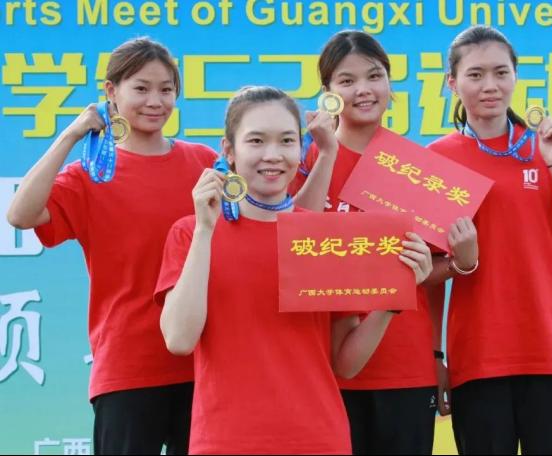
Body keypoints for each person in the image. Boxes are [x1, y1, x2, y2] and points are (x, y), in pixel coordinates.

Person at [154, 85, 434, 454]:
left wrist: (390, 302)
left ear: (300, 149)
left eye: (287, 141)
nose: (273, 155)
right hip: (226, 441)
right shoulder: (191, 232)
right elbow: (179, 339)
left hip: (318, 440)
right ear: (229, 151)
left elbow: (345, 363)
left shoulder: (323, 238)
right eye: (256, 141)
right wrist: (206, 229)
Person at [5, 37, 217, 455]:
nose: (155, 101)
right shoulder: (90, 175)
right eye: (141, 88)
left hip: (204, 361)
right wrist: (71, 134)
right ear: (111, 92)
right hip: (128, 367)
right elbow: (20, 215)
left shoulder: (203, 163)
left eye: (166, 89)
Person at [291, 30, 472, 455]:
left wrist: (437, 350)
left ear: (390, 84)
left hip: (404, 367)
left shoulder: (415, 168)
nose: (363, 90)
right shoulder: (303, 159)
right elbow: (292, 245)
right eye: (347, 80)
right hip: (323, 368)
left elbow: (428, 275)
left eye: (374, 76)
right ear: (328, 92)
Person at [427, 25, 552, 454]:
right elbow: (426, 274)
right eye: (475, 75)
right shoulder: (435, 161)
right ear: (452, 82)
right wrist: (435, 357)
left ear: (515, 76)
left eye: (501, 72)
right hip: (478, 357)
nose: (489, 85)